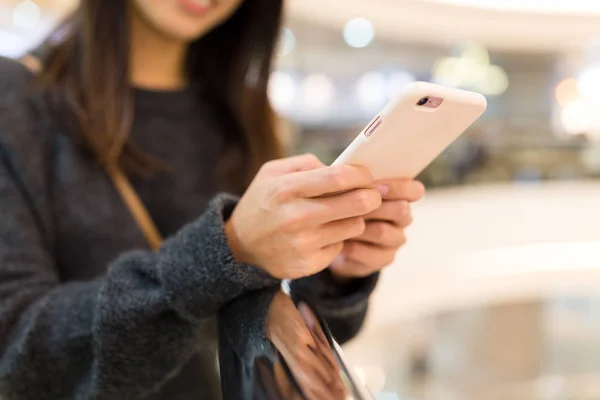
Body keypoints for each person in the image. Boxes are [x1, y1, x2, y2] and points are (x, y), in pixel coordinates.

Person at [0, 0, 424, 399]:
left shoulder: (244, 115)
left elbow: (268, 334)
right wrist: (230, 248)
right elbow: (17, 353)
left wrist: (335, 272)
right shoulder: (16, 100)